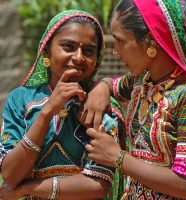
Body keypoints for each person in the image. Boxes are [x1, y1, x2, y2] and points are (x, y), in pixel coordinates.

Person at [83, 0, 186, 199]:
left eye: (120, 41)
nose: (116, 52)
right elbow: (110, 84)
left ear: (151, 41)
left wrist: (117, 157)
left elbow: (184, 185)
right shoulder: (142, 80)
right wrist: (101, 89)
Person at [0, 10, 125, 199]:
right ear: (46, 50)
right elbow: (10, 175)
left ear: (97, 59)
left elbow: (98, 184)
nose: (78, 57)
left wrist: (28, 188)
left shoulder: (101, 105)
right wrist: (47, 112)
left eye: (89, 51)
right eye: (68, 46)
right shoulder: (21, 100)